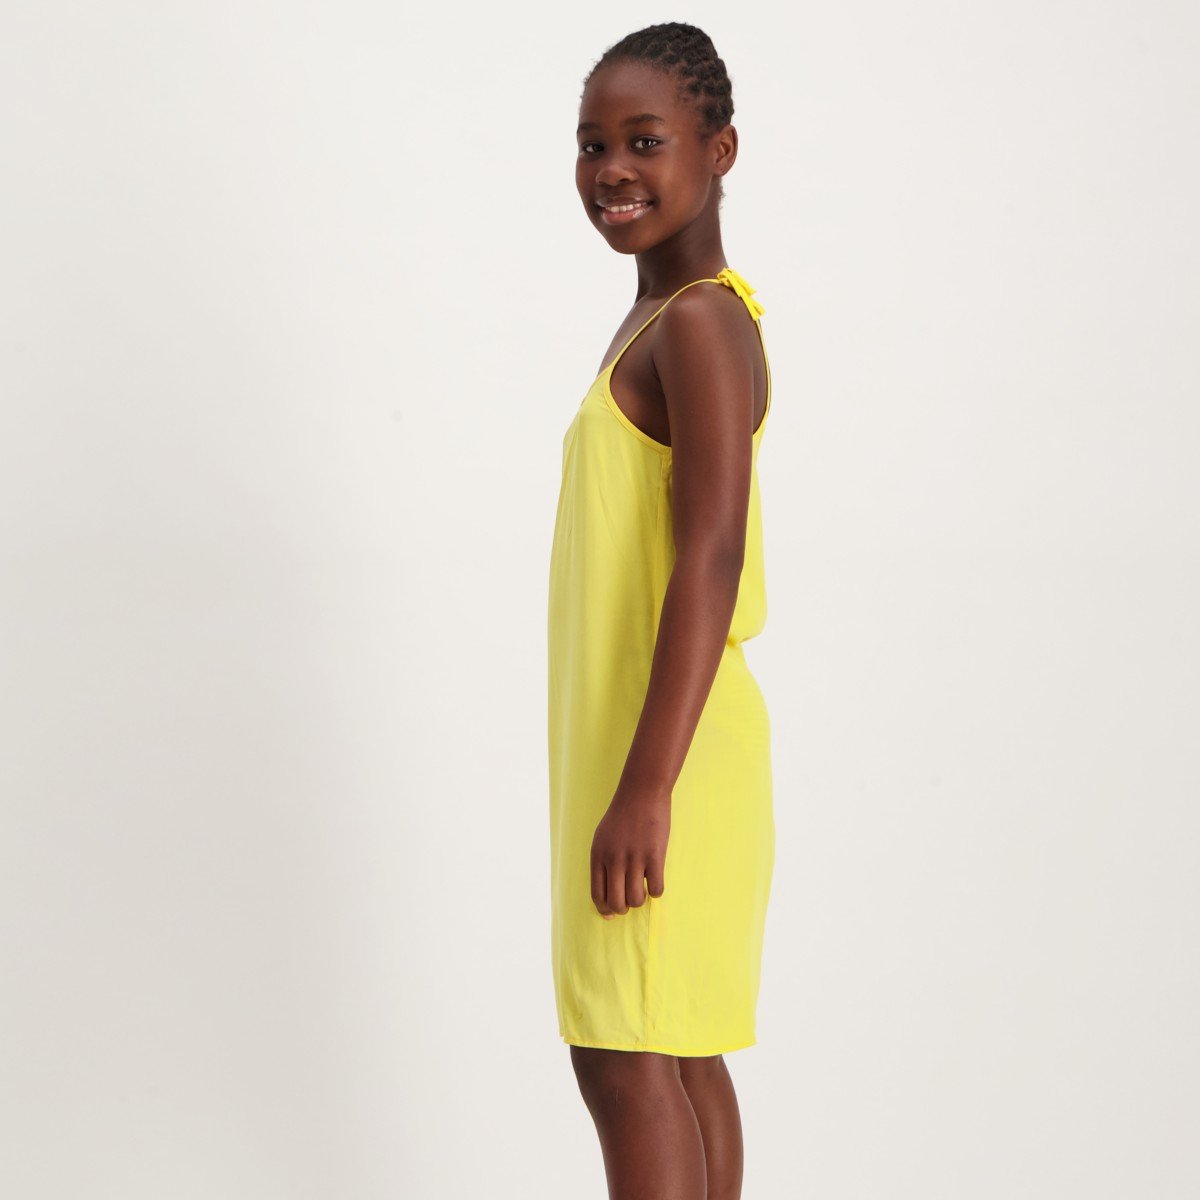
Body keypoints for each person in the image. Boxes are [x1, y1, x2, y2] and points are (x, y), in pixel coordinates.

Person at [547, 22, 775, 1200]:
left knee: (625, 1053)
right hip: (653, 746)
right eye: (594, 144)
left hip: (665, 756)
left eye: (646, 140)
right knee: (673, 1051)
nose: (612, 170)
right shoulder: (673, 315)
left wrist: (645, 788)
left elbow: (713, 555)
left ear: (718, 150)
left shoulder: (697, 321)